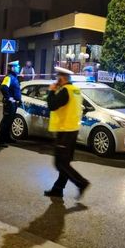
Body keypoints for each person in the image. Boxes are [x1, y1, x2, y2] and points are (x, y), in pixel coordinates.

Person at [44, 67, 90, 199]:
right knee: (65, 163)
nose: (56, 79)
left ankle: (81, 183)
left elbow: (52, 105)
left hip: (65, 132)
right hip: (72, 130)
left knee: (60, 163)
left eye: (58, 77)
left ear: (62, 78)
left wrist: (51, 91)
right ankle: (57, 189)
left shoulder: (65, 91)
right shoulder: (75, 90)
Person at [0, 60, 22, 147]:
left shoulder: (14, 77)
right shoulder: (9, 77)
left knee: (10, 121)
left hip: (13, 104)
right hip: (9, 104)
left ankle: (7, 138)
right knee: (5, 122)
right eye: (17, 67)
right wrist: (9, 98)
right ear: (12, 68)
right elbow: (3, 87)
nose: (19, 68)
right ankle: (0, 140)